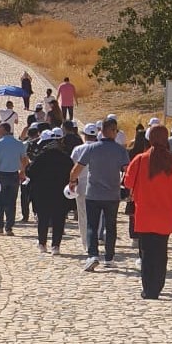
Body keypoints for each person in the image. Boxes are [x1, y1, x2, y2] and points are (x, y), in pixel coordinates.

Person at [123, 125, 172, 299]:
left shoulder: (140, 160)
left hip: (144, 215)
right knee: (161, 252)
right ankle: (158, 286)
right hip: (167, 216)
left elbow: (127, 183)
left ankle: (149, 289)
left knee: (146, 253)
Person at [69, 115, 132, 270]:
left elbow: (77, 168)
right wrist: (128, 188)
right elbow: (127, 171)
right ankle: (109, 257)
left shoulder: (91, 148)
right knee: (111, 226)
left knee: (92, 225)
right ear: (112, 131)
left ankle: (93, 255)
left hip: (93, 193)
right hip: (112, 194)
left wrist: (72, 181)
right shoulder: (120, 150)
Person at [25, 128, 75, 254]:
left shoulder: (41, 157)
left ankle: (42, 243)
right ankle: (55, 246)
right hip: (60, 193)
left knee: (43, 219)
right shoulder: (65, 157)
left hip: (42, 193)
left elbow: (30, 172)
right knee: (59, 219)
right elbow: (72, 173)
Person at [0, 122, 28, 235]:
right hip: (14, 175)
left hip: (0, 175)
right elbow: (24, 160)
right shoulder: (19, 143)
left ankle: (0, 226)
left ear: (4, 130)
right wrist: (23, 171)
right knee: (11, 201)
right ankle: (9, 227)